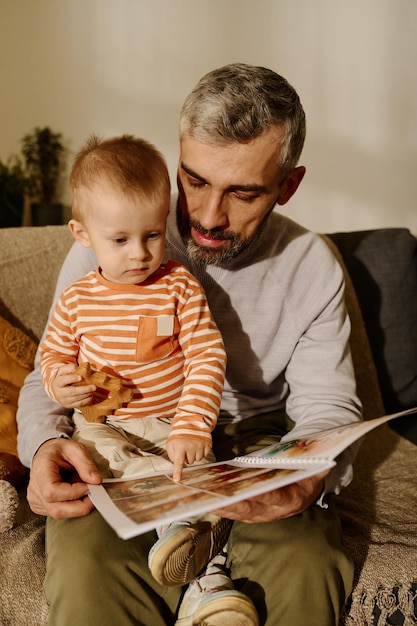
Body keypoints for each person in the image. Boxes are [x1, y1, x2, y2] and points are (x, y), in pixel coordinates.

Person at [18, 63, 362, 626]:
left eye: (243, 193)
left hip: (256, 439)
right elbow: (49, 372)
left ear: (288, 186)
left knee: (305, 561)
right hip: (127, 436)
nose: (206, 216)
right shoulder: (112, 237)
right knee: (85, 570)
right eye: (195, 180)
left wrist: (308, 475)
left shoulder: (311, 267)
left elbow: (328, 404)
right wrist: (40, 449)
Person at [37, 135, 246, 609]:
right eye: (120, 240)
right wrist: (59, 382)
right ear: (82, 234)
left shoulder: (178, 286)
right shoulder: (76, 299)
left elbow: (207, 355)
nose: (139, 254)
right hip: (104, 427)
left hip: (173, 422)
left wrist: (193, 425)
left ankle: (208, 589)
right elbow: (51, 356)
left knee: (193, 463)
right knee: (94, 461)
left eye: (152, 235)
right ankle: (183, 526)